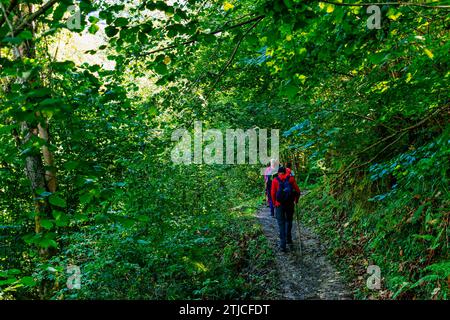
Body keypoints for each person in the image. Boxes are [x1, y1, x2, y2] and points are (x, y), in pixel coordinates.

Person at [271, 166, 300, 252]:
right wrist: (296, 200)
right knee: (289, 221)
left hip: (279, 205)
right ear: (286, 172)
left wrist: (274, 203)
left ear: (278, 172)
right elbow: (298, 191)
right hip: (290, 204)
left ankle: (283, 245)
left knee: (281, 224)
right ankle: (289, 239)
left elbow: (273, 193)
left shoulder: (275, 180)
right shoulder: (291, 179)